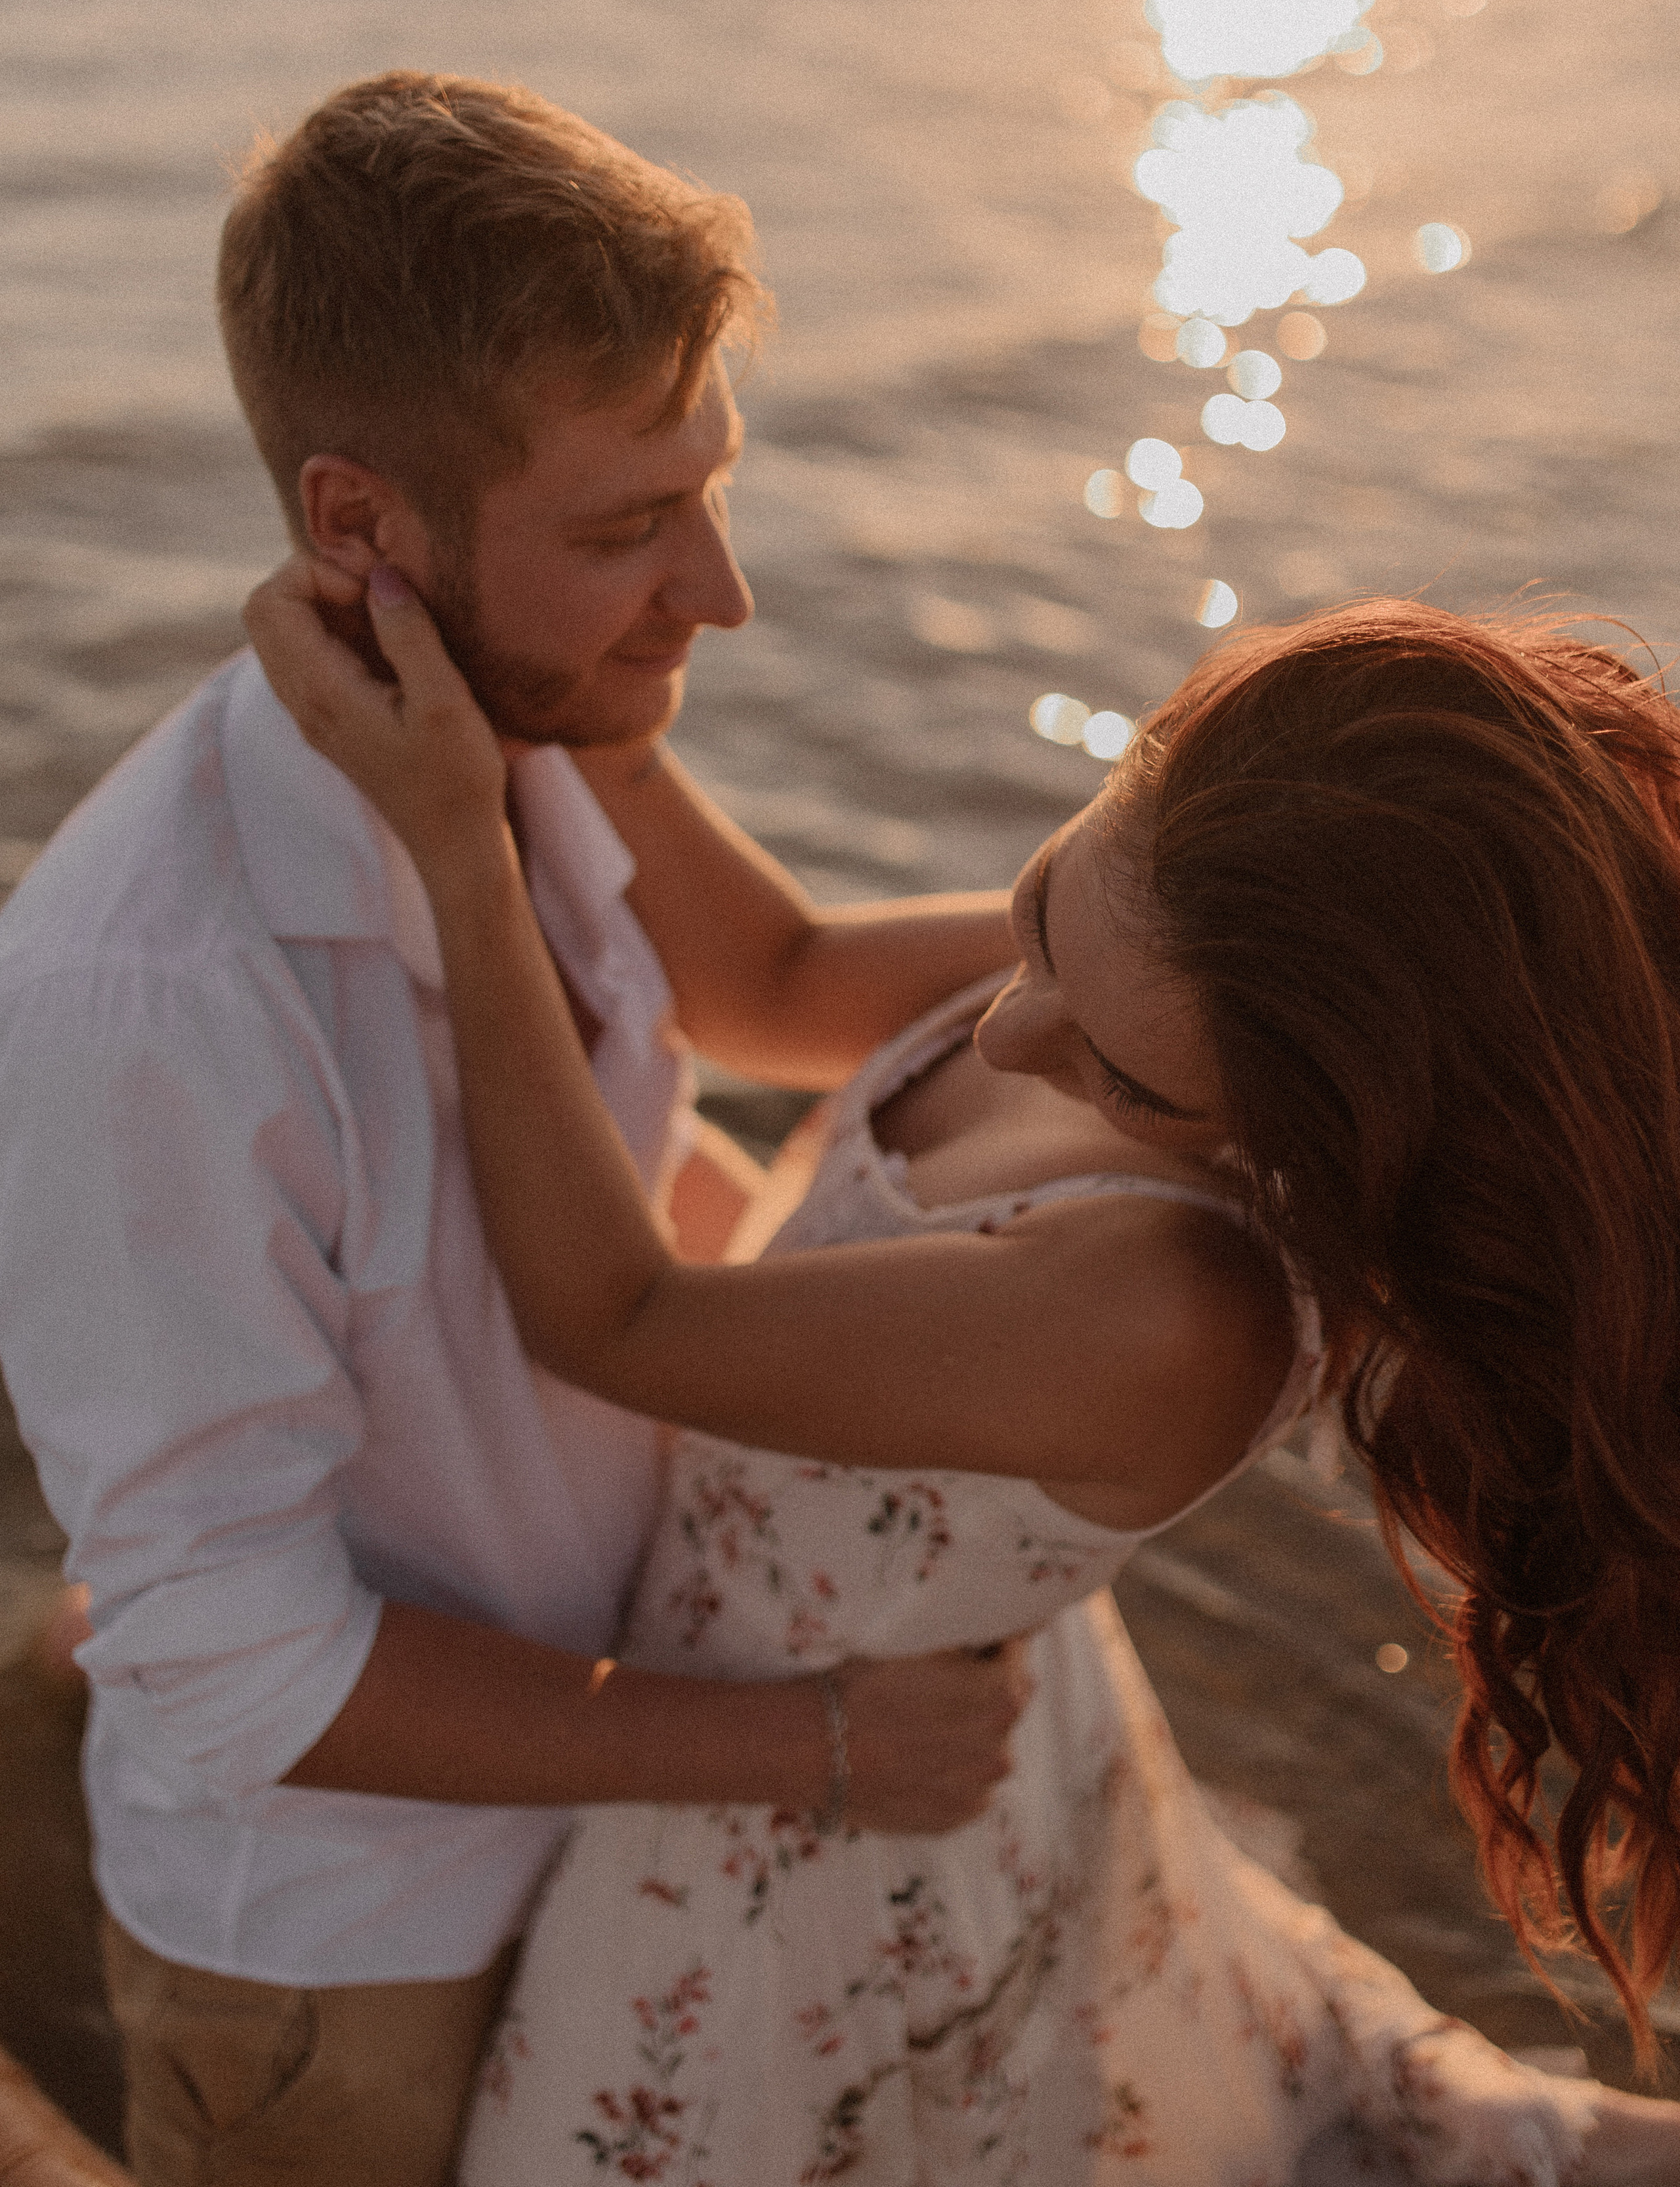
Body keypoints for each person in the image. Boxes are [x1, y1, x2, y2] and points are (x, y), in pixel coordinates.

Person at [244, 557, 1680, 2181]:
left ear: (1317, 1127)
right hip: (955, 1721)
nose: (1009, 1032)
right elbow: (770, 978)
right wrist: (549, 680)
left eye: (1126, 1080)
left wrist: (459, 853)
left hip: (815, 1824)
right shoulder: (1152, 935)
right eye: (1039, 909)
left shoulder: (1167, 1308)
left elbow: (614, 1321)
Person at [0, 72, 1036, 2187]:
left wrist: (1188, 927)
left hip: (611, 1807)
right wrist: (809, 1750)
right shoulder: (153, 1001)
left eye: (710, 486)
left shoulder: (529, 716)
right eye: (623, 526)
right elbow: (235, 1659)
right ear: (359, 523)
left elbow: (792, 981)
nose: (721, 593)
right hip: (346, 1957)